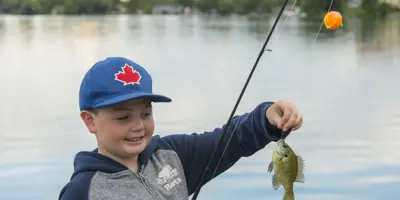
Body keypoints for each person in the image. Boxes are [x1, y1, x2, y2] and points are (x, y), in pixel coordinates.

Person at [58, 57, 303, 200]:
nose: (138, 126)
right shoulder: (82, 191)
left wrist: (267, 118)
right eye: (123, 118)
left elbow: (229, 140)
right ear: (90, 121)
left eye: (146, 113)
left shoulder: (171, 155)